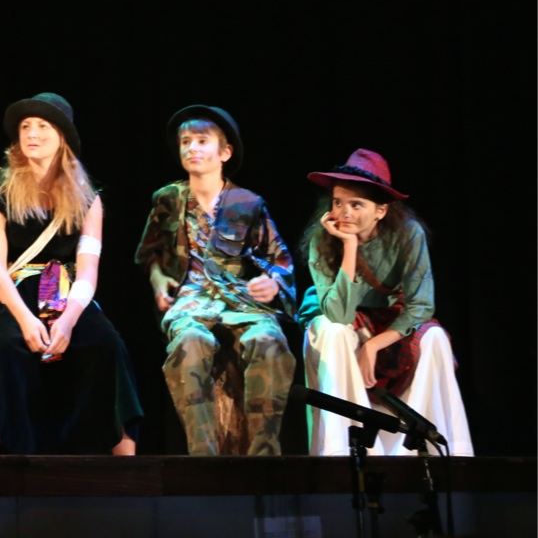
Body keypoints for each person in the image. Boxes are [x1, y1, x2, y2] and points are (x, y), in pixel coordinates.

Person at [0, 93, 141, 455]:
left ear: (62, 137)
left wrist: (69, 320)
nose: (32, 133)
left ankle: (126, 460)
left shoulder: (88, 198)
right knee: (1, 345)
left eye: (43, 126)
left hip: (66, 291)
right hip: (13, 291)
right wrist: (26, 320)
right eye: (26, 126)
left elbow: (88, 270)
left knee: (107, 345)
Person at [133, 105, 296, 456]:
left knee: (268, 341)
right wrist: (159, 280)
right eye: (185, 141)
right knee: (189, 343)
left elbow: (280, 261)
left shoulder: (248, 203)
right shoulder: (168, 199)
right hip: (191, 299)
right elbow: (148, 254)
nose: (192, 147)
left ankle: (264, 456)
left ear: (225, 152)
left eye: (202, 141)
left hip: (241, 301)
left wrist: (272, 282)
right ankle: (203, 457)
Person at [299, 149, 473, 456]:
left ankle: (436, 452)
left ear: (380, 211)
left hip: (387, 320)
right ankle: (341, 449)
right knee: (333, 331)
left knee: (433, 337)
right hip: (343, 319)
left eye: (356, 204)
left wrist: (374, 345)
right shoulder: (322, 241)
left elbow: (421, 305)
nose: (343, 212)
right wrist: (349, 247)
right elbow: (338, 314)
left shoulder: (407, 234)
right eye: (337, 202)